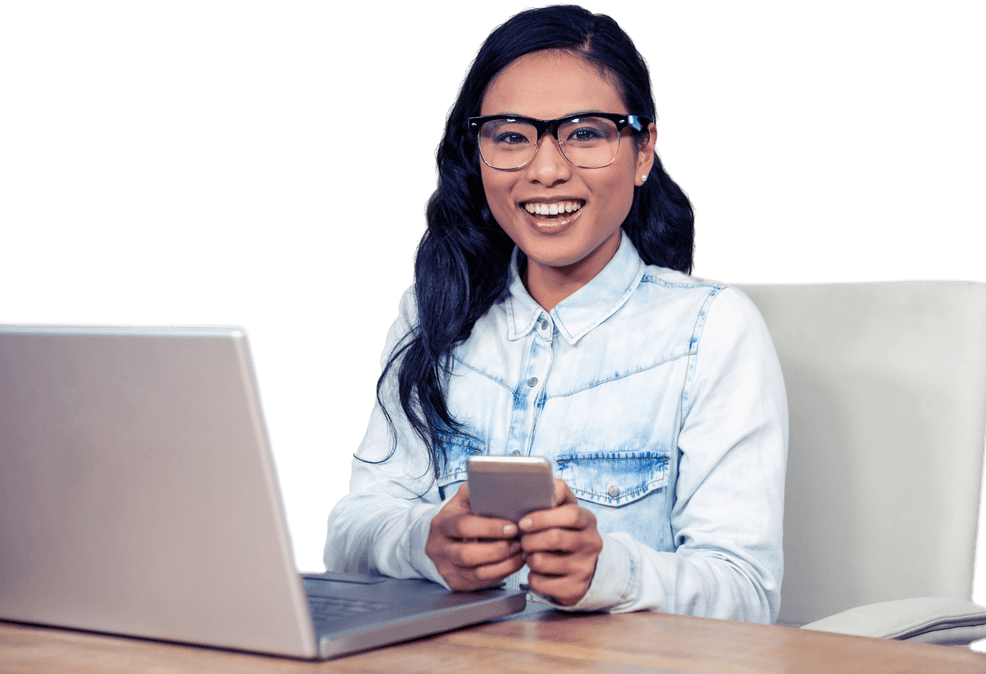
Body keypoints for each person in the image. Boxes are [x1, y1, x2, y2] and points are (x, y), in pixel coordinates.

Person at [324, 4, 787, 624]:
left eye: (586, 133)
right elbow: (348, 534)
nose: (545, 170)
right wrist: (424, 543)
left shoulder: (711, 330)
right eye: (511, 136)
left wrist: (608, 573)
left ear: (643, 151)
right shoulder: (432, 315)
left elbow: (747, 592)